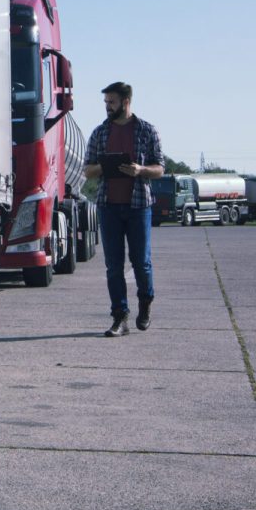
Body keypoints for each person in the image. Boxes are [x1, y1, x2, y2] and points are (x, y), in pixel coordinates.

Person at [83, 82, 164, 336]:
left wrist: (141, 170)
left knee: (141, 262)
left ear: (126, 101)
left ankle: (146, 302)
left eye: (112, 102)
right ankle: (120, 318)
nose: (108, 107)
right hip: (109, 206)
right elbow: (88, 170)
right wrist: (106, 167)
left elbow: (160, 169)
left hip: (139, 206)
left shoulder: (147, 131)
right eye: (106, 103)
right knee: (113, 266)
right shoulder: (100, 133)